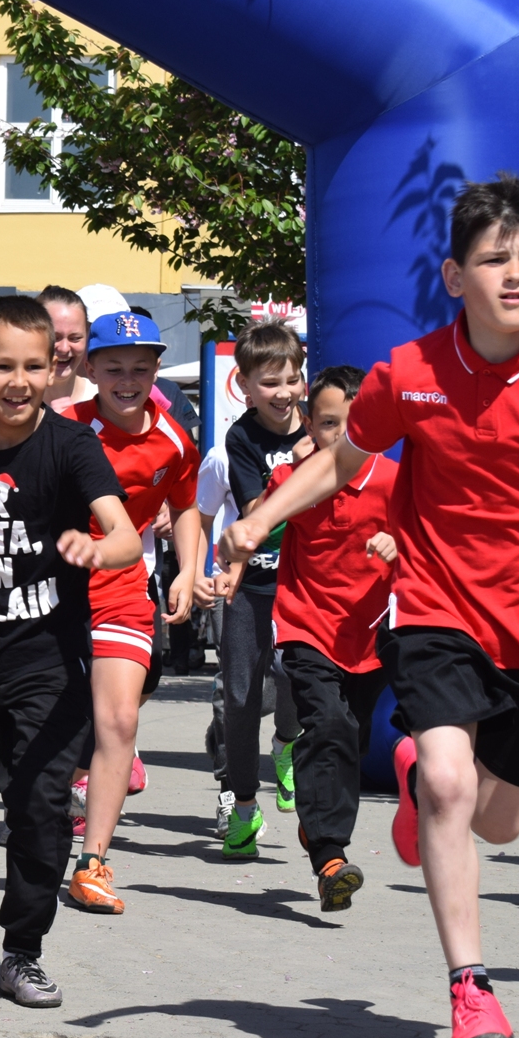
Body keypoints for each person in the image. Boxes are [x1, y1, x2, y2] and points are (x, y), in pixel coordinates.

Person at [221, 173, 519, 1038]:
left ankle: (434, 796)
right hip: (434, 605)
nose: (512, 274)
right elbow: (336, 461)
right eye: (491, 259)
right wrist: (259, 519)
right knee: (446, 780)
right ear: (452, 275)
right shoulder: (411, 372)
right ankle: (469, 988)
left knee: (499, 820)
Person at [0, 295, 139, 1008]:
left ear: (54, 368)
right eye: (3, 365)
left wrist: (98, 548)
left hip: (47, 659)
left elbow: (127, 535)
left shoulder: (72, 447)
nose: (19, 381)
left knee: (40, 809)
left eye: (34, 366)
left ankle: (22, 951)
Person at [59, 310, 202, 913]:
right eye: (113, 367)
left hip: (121, 589)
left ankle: (93, 862)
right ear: (90, 369)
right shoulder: (60, 426)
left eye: (139, 369)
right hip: (50, 590)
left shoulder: (174, 440)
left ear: (156, 371)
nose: (126, 379)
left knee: (119, 721)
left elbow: (187, 504)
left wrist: (189, 571)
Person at [257, 365, 398, 911]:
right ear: (310, 427)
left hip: (367, 637)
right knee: (330, 723)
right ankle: (330, 857)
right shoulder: (299, 477)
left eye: (353, 424)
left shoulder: (393, 480)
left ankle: (317, 830)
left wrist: (398, 543)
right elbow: (260, 515)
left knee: (348, 743)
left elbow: (428, 538)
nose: (341, 437)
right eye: (329, 425)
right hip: (304, 625)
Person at [218, 318, 308, 852]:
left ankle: (288, 743)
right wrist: (300, 484)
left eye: (291, 379)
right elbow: (254, 512)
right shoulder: (242, 436)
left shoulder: (318, 427)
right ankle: (244, 809)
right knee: (239, 695)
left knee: (296, 676)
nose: (283, 392)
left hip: (307, 585)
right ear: (245, 385)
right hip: (251, 584)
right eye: (269, 383)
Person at [40, 285, 93, 411]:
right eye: (54, 337)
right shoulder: (17, 402)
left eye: (75, 338)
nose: (64, 348)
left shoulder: (103, 399)